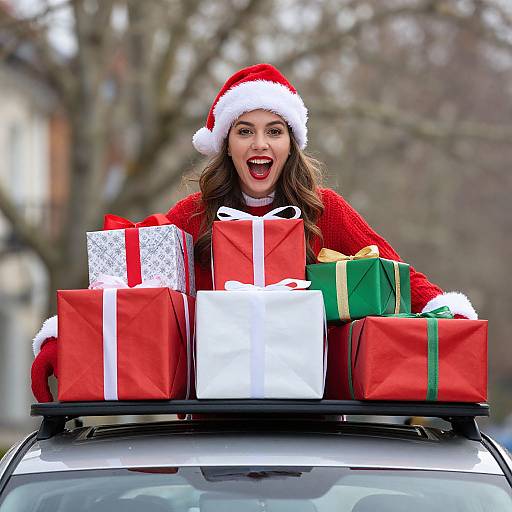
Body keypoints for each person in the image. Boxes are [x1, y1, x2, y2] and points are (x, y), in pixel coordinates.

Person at [30, 63, 477, 402]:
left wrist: (447, 314)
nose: (260, 144)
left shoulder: (324, 211)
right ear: (226, 143)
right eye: (245, 131)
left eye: (274, 131)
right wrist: (63, 335)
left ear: (290, 144)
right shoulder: (196, 214)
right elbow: (125, 284)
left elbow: (394, 275)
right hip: (212, 417)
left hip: (311, 415)